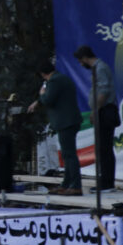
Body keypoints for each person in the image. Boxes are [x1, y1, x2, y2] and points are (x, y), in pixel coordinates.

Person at [29, 61, 82, 195]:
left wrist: (41, 94)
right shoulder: (62, 78)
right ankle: (66, 184)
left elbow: (48, 99)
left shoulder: (54, 81)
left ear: (43, 74)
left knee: (69, 155)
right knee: (67, 154)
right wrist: (38, 101)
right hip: (70, 121)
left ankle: (75, 185)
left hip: (65, 122)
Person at [75, 45, 119, 192]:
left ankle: (107, 183)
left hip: (104, 111)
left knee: (104, 148)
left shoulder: (100, 68)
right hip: (102, 110)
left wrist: (95, 110)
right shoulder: (97, 69)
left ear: (85, 58)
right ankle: (105, 180)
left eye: (81, 61)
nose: (81, 64)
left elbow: (104, 92)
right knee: (102, 148)